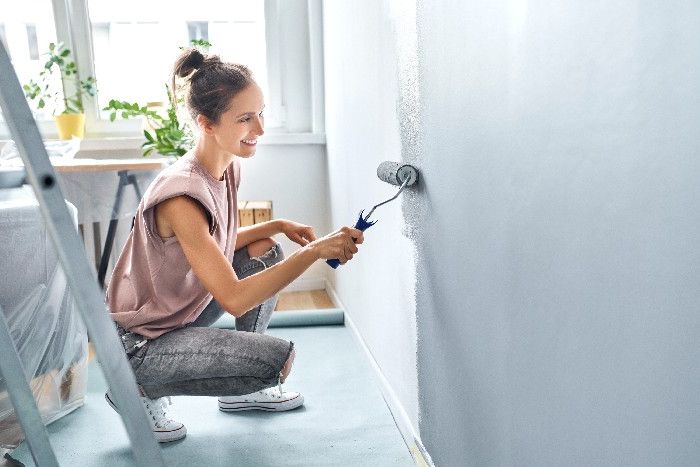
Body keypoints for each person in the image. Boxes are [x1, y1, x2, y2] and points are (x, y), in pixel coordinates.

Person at [104, 48, 363, 442]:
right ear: (206, 123)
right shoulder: (181, 196)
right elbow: (235, 299)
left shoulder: (226, 168)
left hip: (176, 312)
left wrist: (274, 225)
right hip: (140, 344)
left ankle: (243, 397)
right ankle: (138, 389)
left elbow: (215, 247)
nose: (259, 128)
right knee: (275, 361)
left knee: (264, 247)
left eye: (261, 113)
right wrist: (314, 251)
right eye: (245, 118)